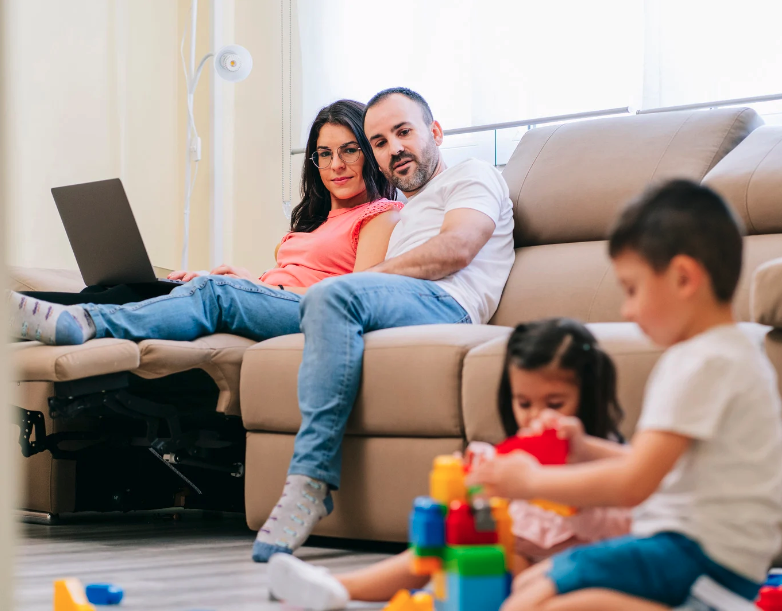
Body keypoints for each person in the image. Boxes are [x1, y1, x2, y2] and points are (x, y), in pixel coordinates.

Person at [470, 181, 782, 610]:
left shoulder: (700, 362)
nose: (627, 310)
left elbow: (634, 485)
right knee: (538, 582)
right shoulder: (733, 354)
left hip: (693, 559)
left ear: (683, 278)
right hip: (717, 565)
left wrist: (529, 482)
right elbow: (656, 469)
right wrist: (584, 447)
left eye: (632, 289)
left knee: (529, 601)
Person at [250, 87, 516, 562]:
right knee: (259, 301)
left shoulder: (472, 175)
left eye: (403, 132)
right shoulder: (407, 209)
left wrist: (353, 285)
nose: (392, 149)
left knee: (332, 296)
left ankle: (309, 482)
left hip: (446, 303)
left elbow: (457, 248)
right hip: (399, 307)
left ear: (433, 132)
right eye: (378, 141)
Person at [265, 318, 632, 610]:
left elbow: (629, 493)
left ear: (589, 396)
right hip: (511, 553)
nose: (537, 417)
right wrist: (471, 482)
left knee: (505, 568)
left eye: (555, 404)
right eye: (524, 403)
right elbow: (489, 504)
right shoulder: (515, 451)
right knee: (437, 550)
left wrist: (575, 455)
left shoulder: (599, 450)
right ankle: (337, 588)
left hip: (571, 564)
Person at [8, 99, 401, 342]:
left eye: (349, 151)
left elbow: (354, 299)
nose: (336, 165)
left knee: (214, 291)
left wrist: (250, 288)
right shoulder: (314, 221)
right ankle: (15, 314)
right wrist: (253, 279)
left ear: (371, 152)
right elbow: (298, 273)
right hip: (269, 297)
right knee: (140, 288)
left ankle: (83, 323)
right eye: (324, 154)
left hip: (305, 311)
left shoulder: (380, 215)